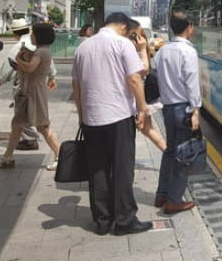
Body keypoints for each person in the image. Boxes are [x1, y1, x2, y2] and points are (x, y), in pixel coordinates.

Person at [72, 12, 152, 236]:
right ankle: (125, 220)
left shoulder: (83, 48)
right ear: (123, 27)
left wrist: (81, 114)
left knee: (97, 170)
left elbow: (76, 86)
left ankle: (102, 220)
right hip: (118, 116)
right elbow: (134, 79)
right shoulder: (122, 44)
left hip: (91, 118)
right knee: (122, 169)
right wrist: (143, 108)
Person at [0, 23, 60, 170]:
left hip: (34, 94)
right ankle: (7, 157)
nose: (31, 36)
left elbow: (30, 68)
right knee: (17, 125)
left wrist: (18, 59)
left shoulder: (41, 52)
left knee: (43, 126)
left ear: (39, 36)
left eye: (33, 34)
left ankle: (60, 157)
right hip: (29, 92)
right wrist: (20, 64)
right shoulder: (42, 51)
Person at [153, 12, 201, 215]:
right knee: (184, 155)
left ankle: (162, 193)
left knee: (171, 151)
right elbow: (191, 83)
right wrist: (196, 110)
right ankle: (174, 199)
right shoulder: (187, 52)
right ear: (189, 27)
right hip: (183, 108)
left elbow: (155, 78)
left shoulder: (162, 51)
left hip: (168, 108)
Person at [127, 20, 167, 152]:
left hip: (137, 100)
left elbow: (143, 70)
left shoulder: (138, 51)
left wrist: (142, 49)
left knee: (147, 129)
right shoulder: (138, 50)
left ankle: (170, 154)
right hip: (136, 99)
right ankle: (169, 154)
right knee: (147, 130)